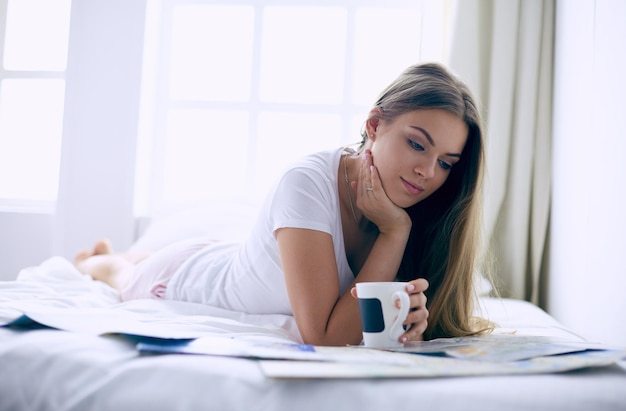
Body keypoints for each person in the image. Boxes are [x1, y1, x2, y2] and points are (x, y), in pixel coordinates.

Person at [75, 62, 493, 347]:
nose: (427, 172)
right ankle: (99, 259)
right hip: (184, 278)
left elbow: (370, 323)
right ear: (373, 125)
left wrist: (413, 321)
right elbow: (325, 337)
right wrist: (394, 231)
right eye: (417, 144)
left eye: (445, 163)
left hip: (235, 260)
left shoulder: (430, 206)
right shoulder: (307, 181)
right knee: (122, 274)